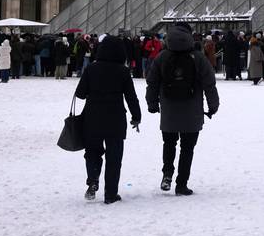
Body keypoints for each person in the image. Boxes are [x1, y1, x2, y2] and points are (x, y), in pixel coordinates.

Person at [145, 23, 219, 195]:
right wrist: (213, 105)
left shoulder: (162, 57)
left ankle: (167, 175)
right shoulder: (198, 57)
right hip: (192, 111)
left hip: (169, 110)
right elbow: (210, 83)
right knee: (187, 148)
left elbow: (152, 82)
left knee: (169, 143)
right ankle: (181, 184)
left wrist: (152, 103)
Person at [75, 36, 141, 203]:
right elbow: (131, 97)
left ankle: (93, 180)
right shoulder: (123, 71)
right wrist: (136, 117)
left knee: (92, 152)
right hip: (116, 117)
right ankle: (110, 194)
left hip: (92, 117)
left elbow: (81, 94)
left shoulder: (91, 69)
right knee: (114, 157)